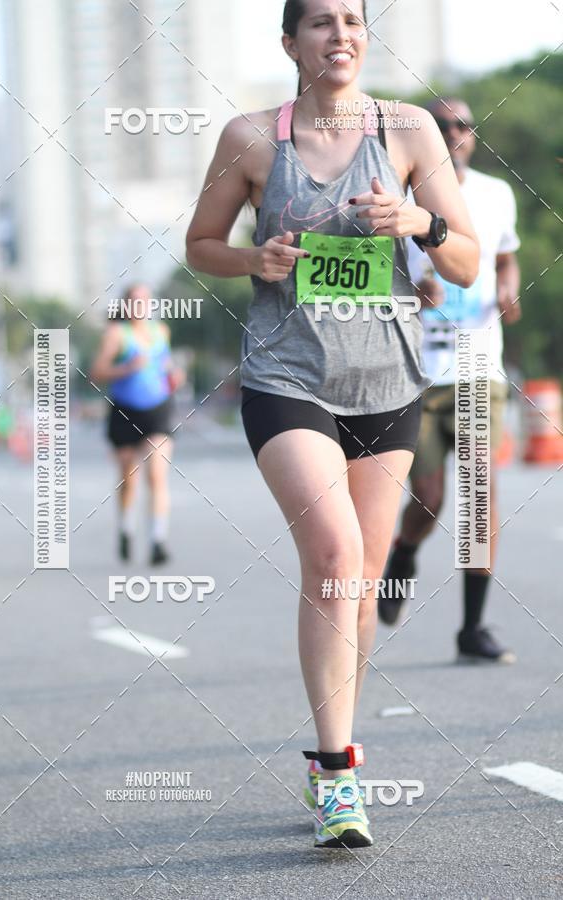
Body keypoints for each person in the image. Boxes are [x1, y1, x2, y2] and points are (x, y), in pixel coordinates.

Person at [186, 0, 478, 849]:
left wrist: (418, 223)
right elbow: (201, 242)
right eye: (320, 22)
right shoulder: (251, 140)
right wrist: (255, 258)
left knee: (360, 583)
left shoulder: (412, 129)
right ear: (290, 43)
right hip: (288, 377)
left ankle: (331, 750)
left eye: (352, 20)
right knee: (335, 556)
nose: (340, 34)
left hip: (388, 383)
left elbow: (462, 255)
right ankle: (341, 776)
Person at [381, 98, 521, 665]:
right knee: (430, 502)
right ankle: (403, 554)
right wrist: (412, 294)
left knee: (478, 499)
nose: (454, 133)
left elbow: (505, 256)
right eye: (441, 127)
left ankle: (472, 627)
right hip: (417, 373)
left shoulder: (496, 193)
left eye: (463, 125)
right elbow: (375, 281)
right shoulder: (401, 195)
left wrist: (509, 286)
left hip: (477, 366)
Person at [90, 283, 185, 565]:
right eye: (135, 301)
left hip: (158, 410)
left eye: (145, 301)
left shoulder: (161, 331)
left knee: (156, 475)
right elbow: (96, 373)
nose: (141, 306)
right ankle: (126, 529)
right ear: (126, 305)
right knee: (128, 478)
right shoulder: (117, 334)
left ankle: (158, 540)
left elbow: (165, 365)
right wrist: (126, 368)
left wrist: (174, 376)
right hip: (124, 412)